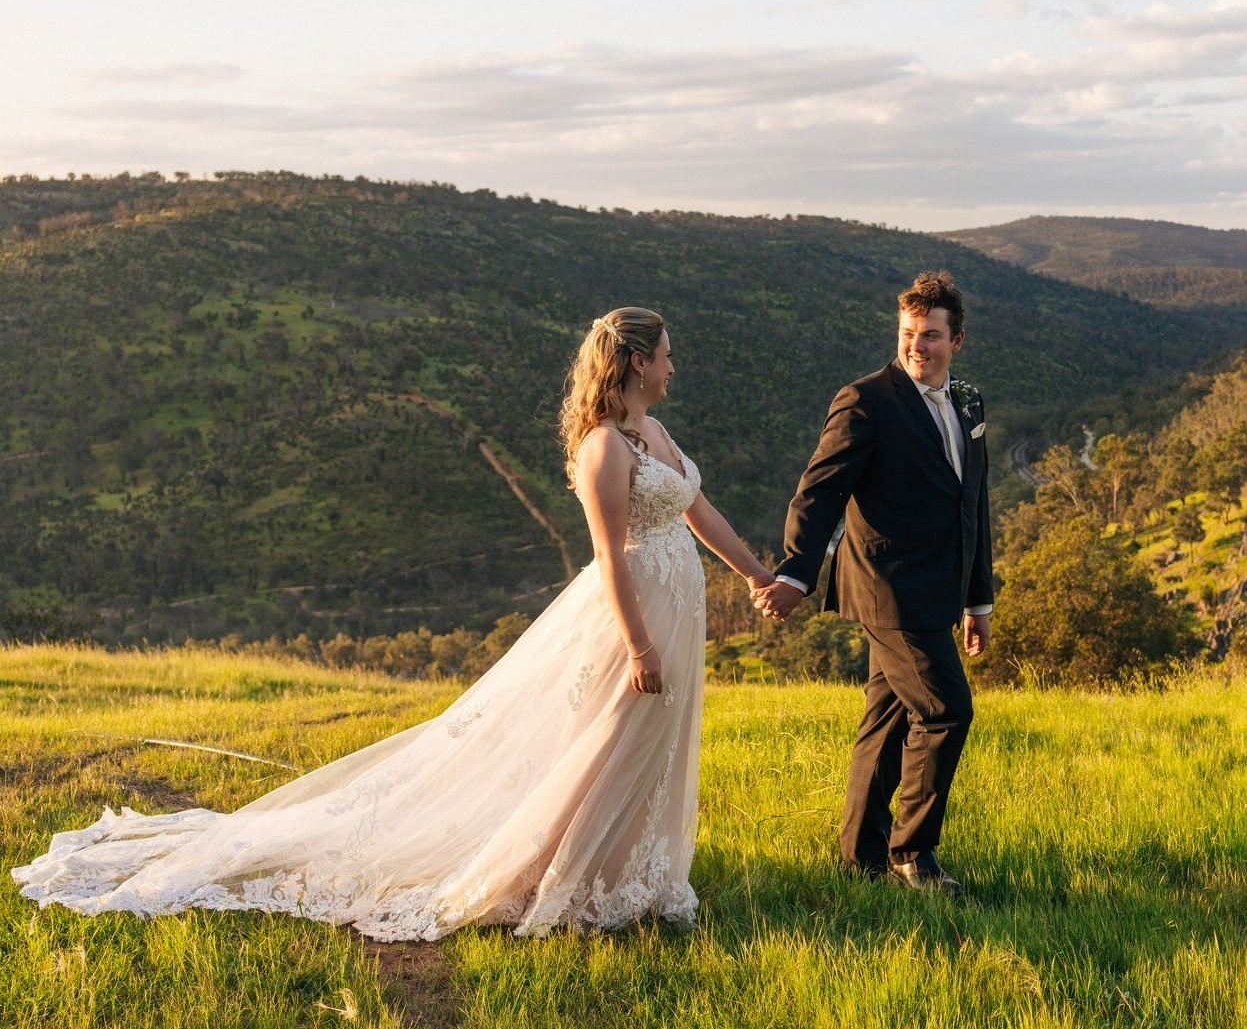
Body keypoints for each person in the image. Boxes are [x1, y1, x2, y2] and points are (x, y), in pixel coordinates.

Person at [13, 307, 774, 941]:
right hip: (630, 614)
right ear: (637, 360)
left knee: (651, 745)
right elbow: (608, 551)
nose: (674, 367)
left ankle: (628, 875)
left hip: (681, 607)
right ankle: (558, 876)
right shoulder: (605, 447)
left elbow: (700, 512)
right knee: (602, 743)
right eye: (667, 356)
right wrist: (639, 641)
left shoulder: (661, 437)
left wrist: (754, 572)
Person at [752, 270, 993, 896]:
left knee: (886, 721)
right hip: (887, 588)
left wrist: (978, 600)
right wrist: (798, 571)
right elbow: (821, 489)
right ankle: (912, 853)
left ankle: (859, 853)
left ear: (957, 340)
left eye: (932, 336)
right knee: (946, 711)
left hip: (940, 588)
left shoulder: (969, 403)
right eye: (909, 333)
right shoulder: (864, 400)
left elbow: (974, 504)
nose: (918, 346)